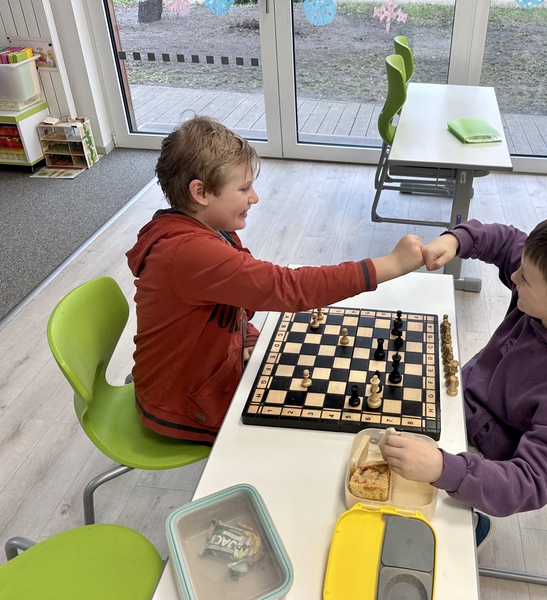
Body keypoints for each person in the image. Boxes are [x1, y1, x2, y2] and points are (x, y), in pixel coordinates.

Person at [126, 116, 424, 444]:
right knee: (303, 429)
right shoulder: (189, 252)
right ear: (200, 192)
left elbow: (240, 301)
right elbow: (286, 288)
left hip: (199, 375)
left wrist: (247, 340)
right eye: (243, 188)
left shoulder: (211, 232)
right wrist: (390, 264)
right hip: (179, 403)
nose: (254, 197)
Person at [381, 214, 547, 539]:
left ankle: (473, 529)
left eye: (526, 279)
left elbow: (533, 481)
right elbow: (507, 241)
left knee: (400, 497)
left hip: (489, 450)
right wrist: (458, 240)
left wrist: (442, 468)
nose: (514, 275)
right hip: (467, 398)